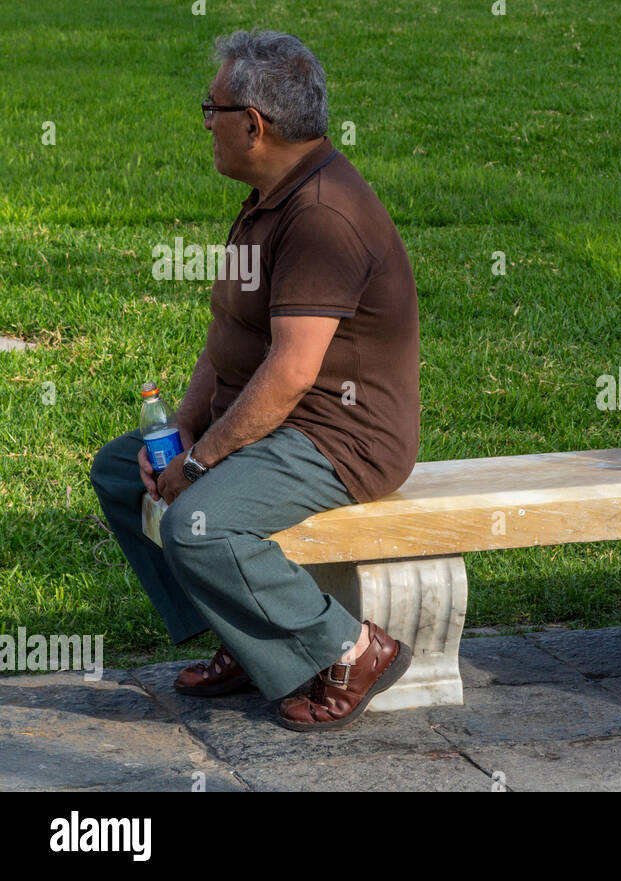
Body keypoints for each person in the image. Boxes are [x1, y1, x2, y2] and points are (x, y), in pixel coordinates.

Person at [89, 30, 419, 732]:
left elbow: (292, 371)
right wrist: (184, 427)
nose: (206, 124)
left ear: (253, 124)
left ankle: (352, 648)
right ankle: (247, 637)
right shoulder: (270, 195)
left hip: (339, 438)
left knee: (197, 525)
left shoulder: (322, 215)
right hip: (281, 417)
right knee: (123, 470)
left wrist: (198, 463)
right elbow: (232, 334)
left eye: (211, 110)